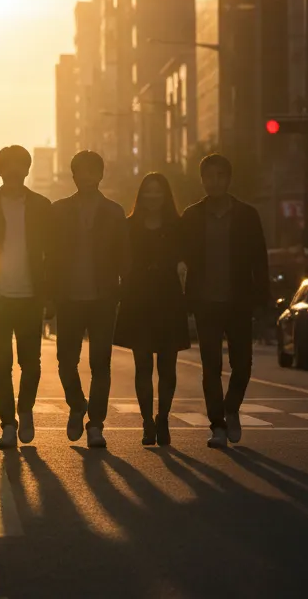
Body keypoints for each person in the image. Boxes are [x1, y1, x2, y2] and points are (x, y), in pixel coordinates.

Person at [182, 154, 269, 449]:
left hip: (238, 300)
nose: (214, 182)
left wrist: (263, 298)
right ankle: (217, 424)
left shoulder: (247, 215)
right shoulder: (192, 215)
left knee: (242, 364)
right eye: (209, 177)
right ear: (202, 180)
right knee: (210, 367)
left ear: (228, 179)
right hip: (206, 302)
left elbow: (260, 259)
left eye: (220, 176)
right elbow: (181, 256)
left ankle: (231, 407)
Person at [0, 145, 53, 450]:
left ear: (28, 169)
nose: (14, 171)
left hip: (31, 296)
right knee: (1, 364)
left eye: (21, 165)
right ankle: (7, 424)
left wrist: (50, 296)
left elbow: (52, 253)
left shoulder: (41, 205)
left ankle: (25, 410)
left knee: (30, 364)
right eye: (8, 165)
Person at [47, 151, 128, 449]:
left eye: (93, 171)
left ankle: (96, 424)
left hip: (103, 297)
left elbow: (124, 255)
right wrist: (50, 295)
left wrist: (122, 290)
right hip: (68, 297)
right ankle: (77, 404)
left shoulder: (114, 212)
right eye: (82, 172)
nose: (88, 177)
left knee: (100, 365)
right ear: (73, 176)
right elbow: (50, 257)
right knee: (65, 362)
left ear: (101, 175)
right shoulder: (59, 211)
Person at [115, 172, 189, 447]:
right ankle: (147, 422)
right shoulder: (129, 225)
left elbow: (187, 257)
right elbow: (120, 259)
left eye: (158, 191)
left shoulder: (178, 225)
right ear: (141, 195)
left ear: (166, 195)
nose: (153, 197)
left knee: (168, 366)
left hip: (168, 298)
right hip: (138, 298)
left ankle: (164, 419)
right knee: (143, 365)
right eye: (148, 191)